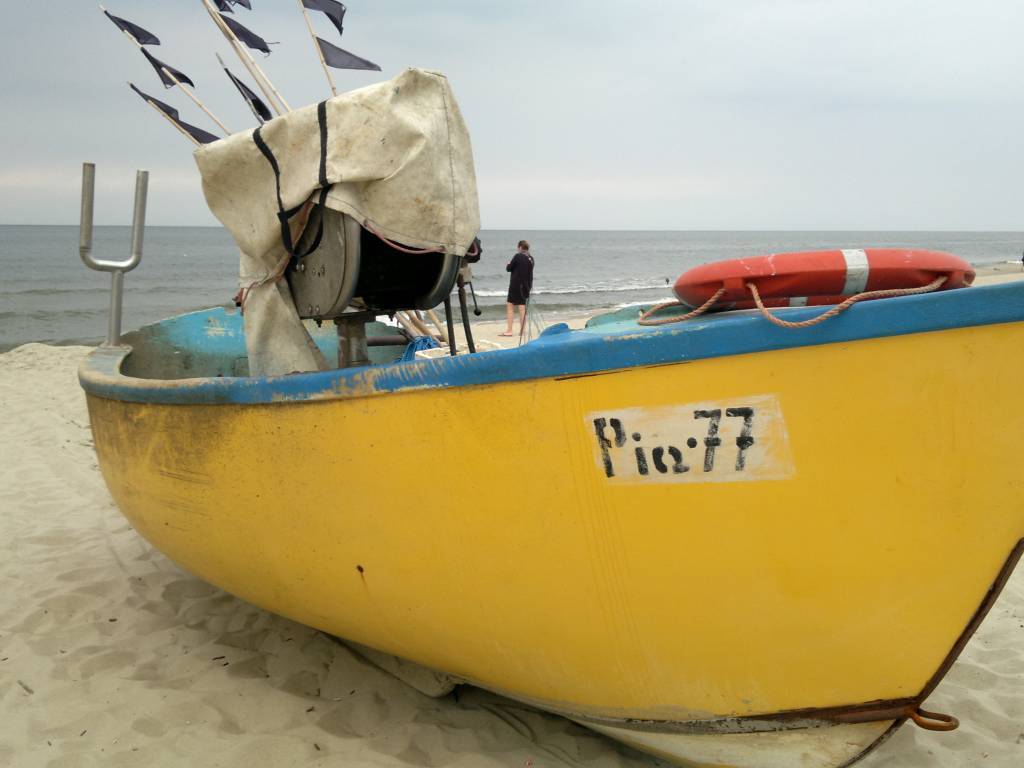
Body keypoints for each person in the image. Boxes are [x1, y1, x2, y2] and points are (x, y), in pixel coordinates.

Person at [501, 240, 534, 337]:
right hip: (526, 286)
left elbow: (508, 268)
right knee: (522, 308)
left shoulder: (518, 256)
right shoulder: (531, 258)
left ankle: (509, 330)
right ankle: (522, 331)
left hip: (516, 285)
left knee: (510, 306)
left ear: (520, 247)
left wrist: (508, 263)